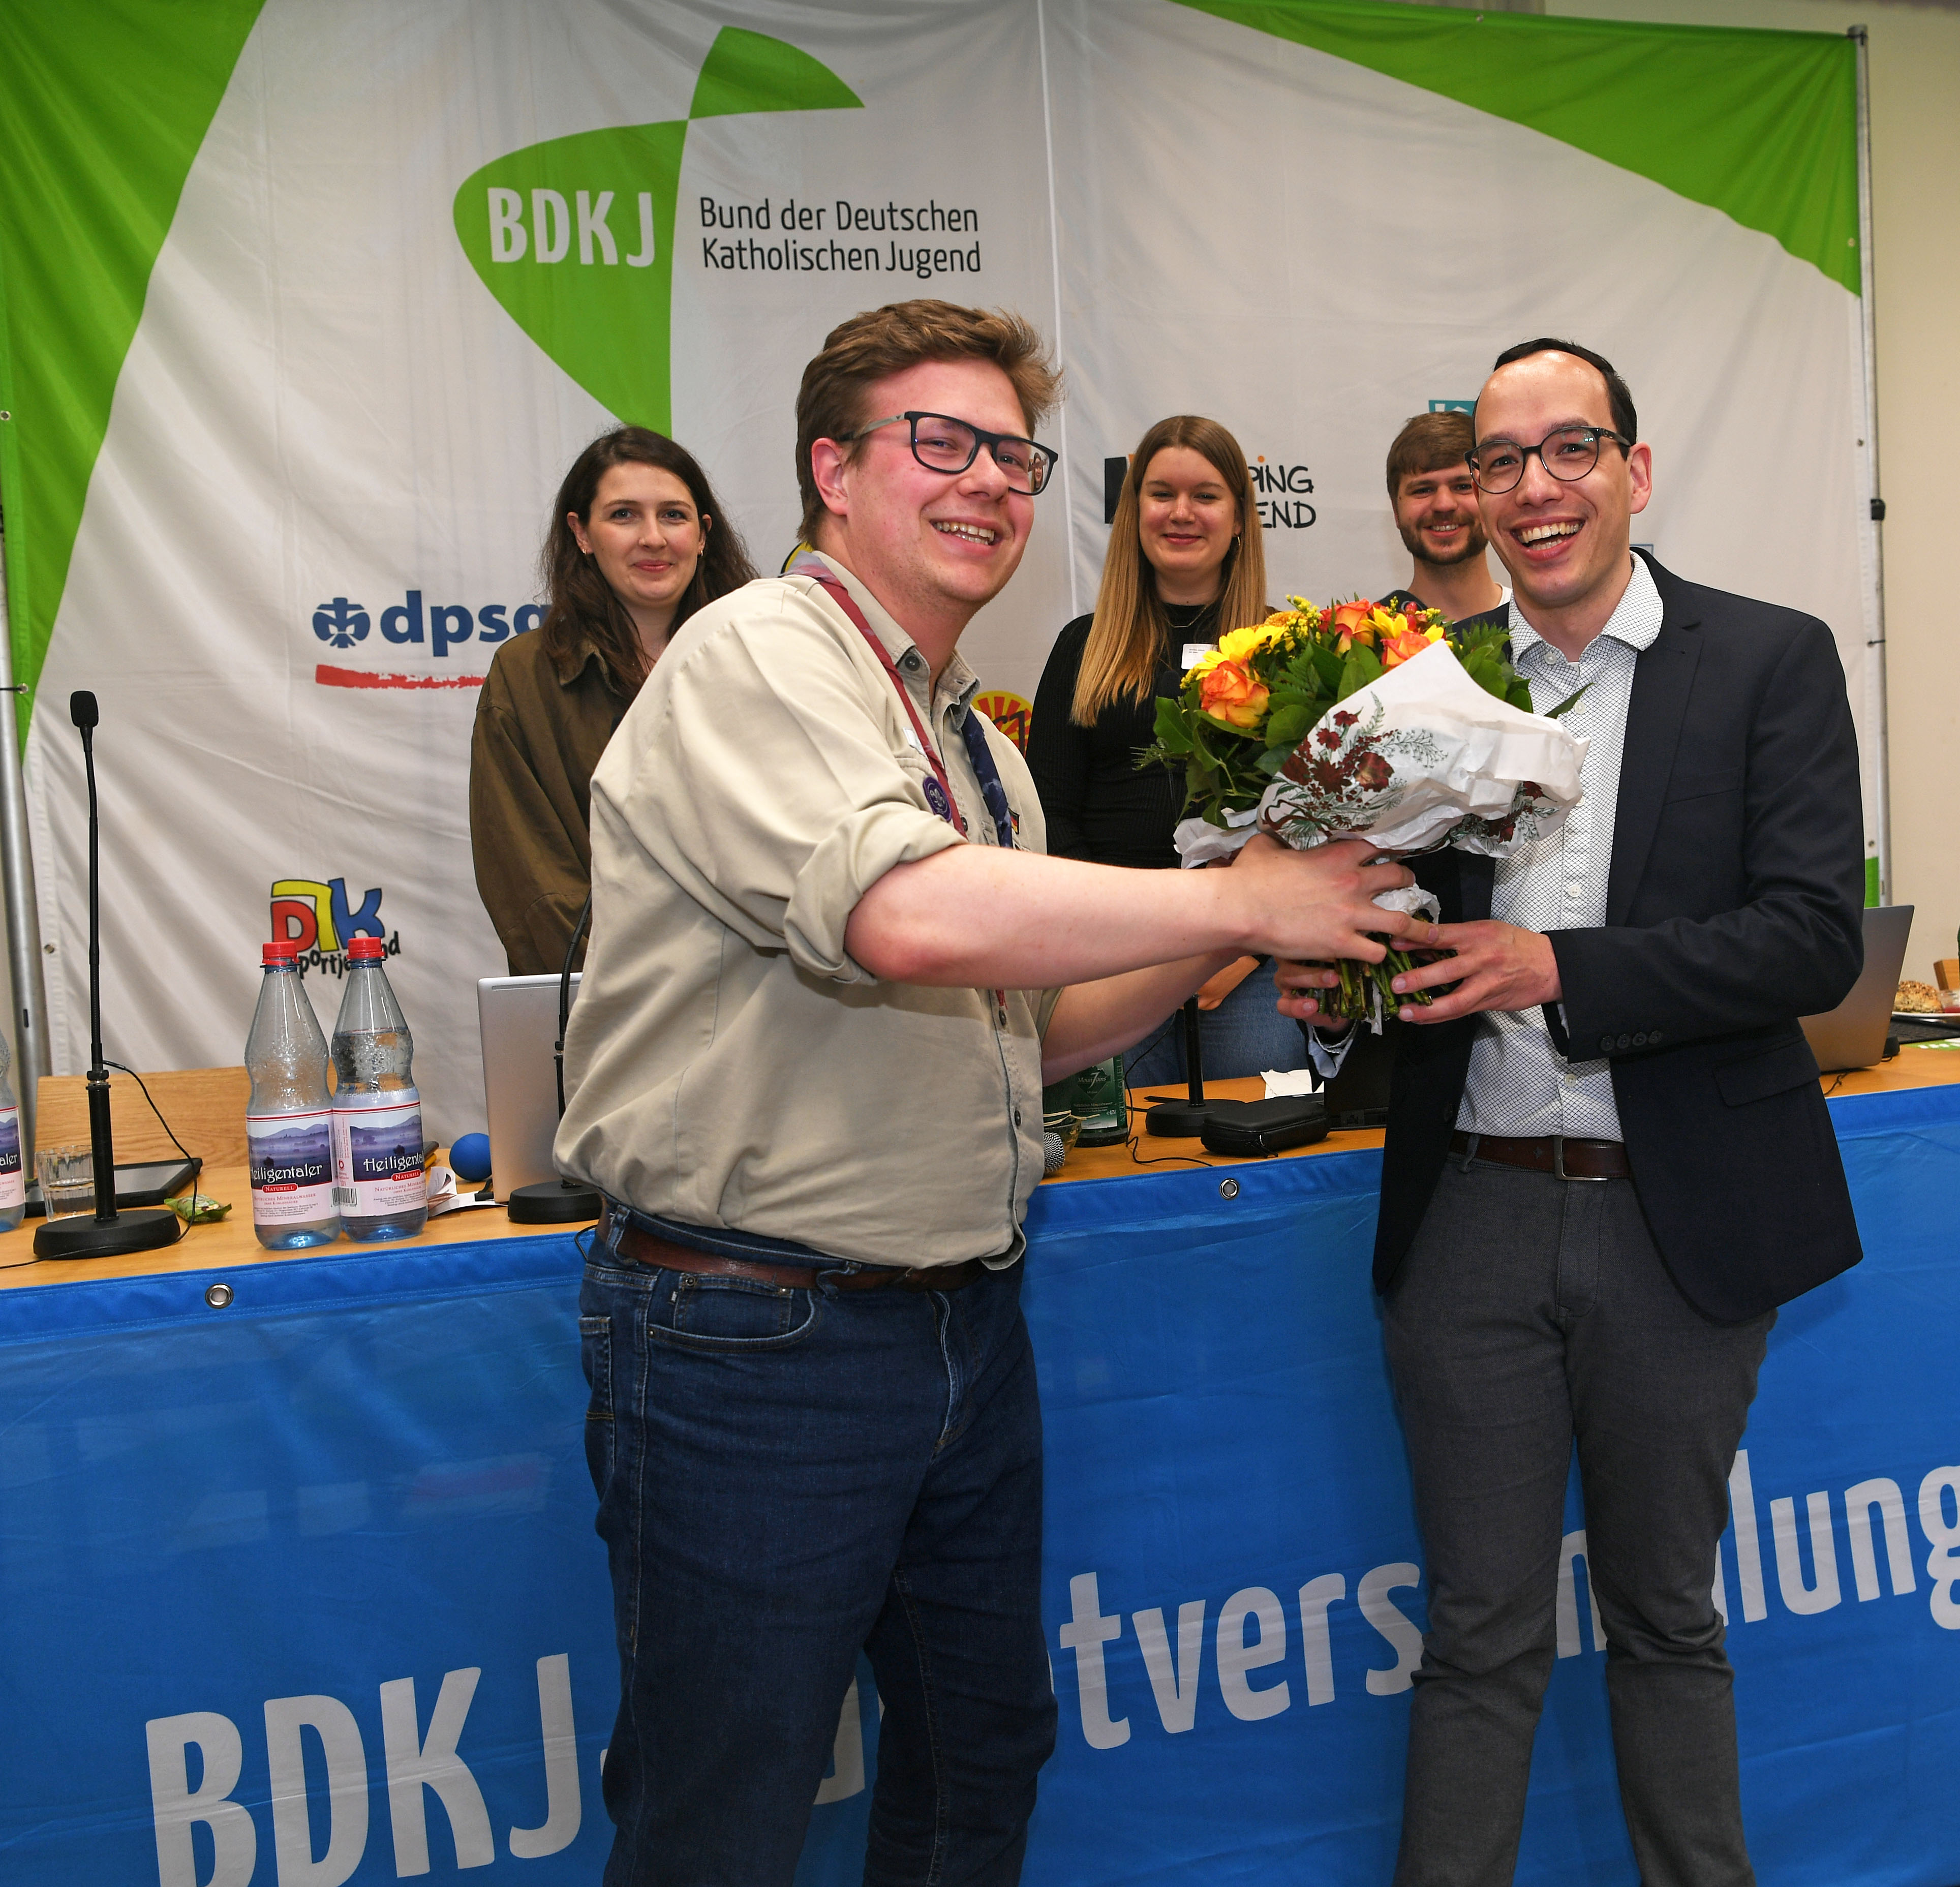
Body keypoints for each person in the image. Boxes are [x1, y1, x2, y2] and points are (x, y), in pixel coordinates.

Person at [553, 298, 1410, 1886]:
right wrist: (1235, 899)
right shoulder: (759, 652)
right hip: (755, 1331)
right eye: (938, 443)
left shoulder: (977, 744)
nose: (988, 484)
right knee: (723, 1812)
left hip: (958, 1318)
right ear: (831, 471)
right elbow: (902, 914)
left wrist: (1250, 904)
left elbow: (1042, 1027)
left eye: (1013, 457)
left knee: (979, 1756)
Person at [1282, 339, 1864, 1887]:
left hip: (1678, 1219)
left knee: (1665, 1616)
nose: (1532, 486)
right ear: (1471, 495)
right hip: (1467, 1214)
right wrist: (1338, 974)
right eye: (1499, 460)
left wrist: (1563, 969)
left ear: (1632, 470)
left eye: (1568, 448)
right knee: (1474, 1634)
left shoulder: (1767, 658)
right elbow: (1406, 926)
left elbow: (1811, 935)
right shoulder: (1426, 686)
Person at [1027, 415, 1304, 1085]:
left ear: (1238, 519)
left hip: (1247, 964)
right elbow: (1048, 816)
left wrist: (1240, 947)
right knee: (1122, 1150)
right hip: (1112, 965)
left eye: (1205, 496)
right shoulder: (1082, 646)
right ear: (1134, 512)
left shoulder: (1287, 648)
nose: (1181, 513)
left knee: (1259, 1145)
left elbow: (1312, 822)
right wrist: (1120, 943)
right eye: (1161, 494)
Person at [469, 426, 757, 972]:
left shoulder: (764, 658)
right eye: (623, 515)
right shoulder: (525, 676)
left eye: (673, 515)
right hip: (612, 996)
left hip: (762, 989)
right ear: (581, 533)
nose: (653, 538)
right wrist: (641, 985)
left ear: (703, 535)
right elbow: (529, 880)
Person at [1376, 409, 1507, 624]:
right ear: (1396, 511)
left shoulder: (1544, 626)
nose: (1444, 505)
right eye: (1423, 490)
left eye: (1463, 486)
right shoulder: (1365, 636)